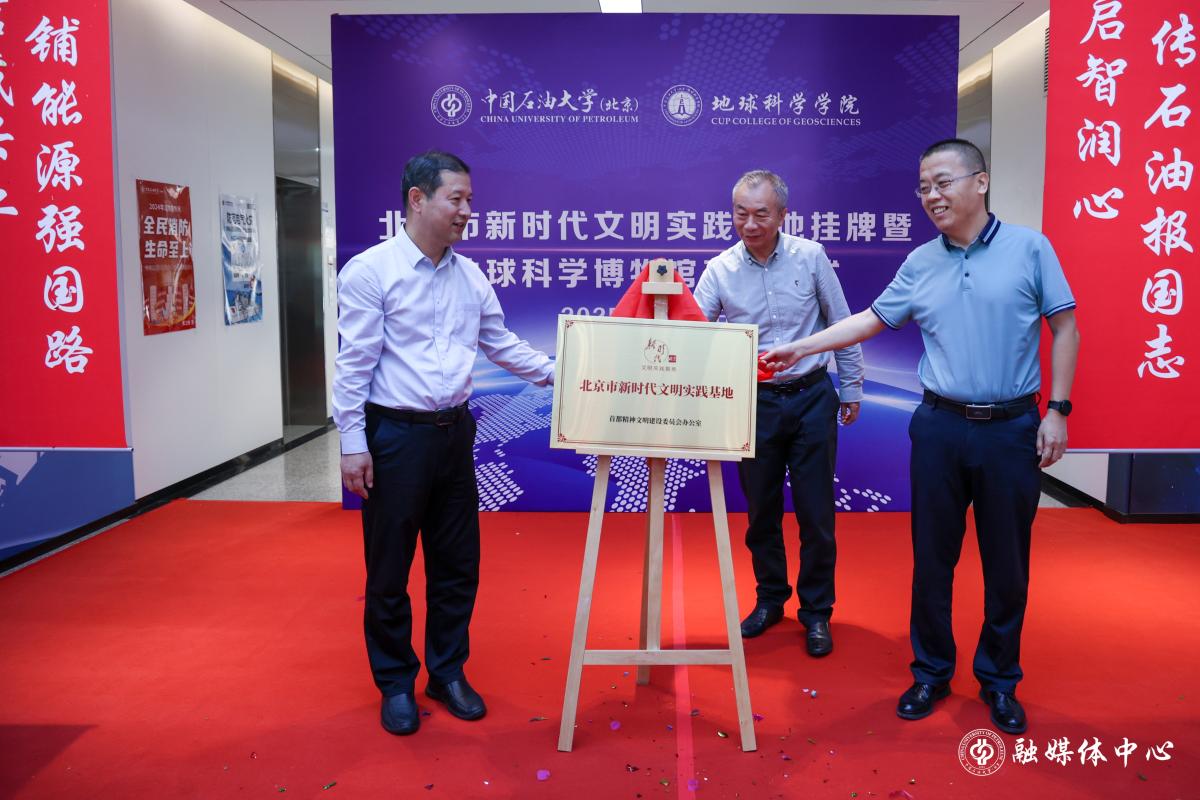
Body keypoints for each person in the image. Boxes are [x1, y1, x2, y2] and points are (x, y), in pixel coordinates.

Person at [761, 139, 1079, 734]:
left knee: (1007, 563)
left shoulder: (1030, 248)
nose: (932, 196)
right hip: (938, 427)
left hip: (1012, 428)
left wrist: (1057, 410)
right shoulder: (920, 262)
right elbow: (869, 320)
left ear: (980, 182)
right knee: (933, 558)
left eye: (943, 182)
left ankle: (999, 680)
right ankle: (931, 671)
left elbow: (1065, 327)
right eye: (924, 187)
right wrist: (801, 347)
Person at [333, 150, 554, 735]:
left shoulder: (470, 277)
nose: (466, 211)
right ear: (417, 199)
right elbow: (353, 365)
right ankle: (395, 681)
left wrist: (563, 372)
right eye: (456, 199)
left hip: (455, 433)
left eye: (469, 201)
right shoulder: (370, 272)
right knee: (389, 567)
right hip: (394, 437)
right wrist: (352, 440)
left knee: (457, 564)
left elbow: (502, 344)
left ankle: (447, 670)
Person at [694, 170, 865, 658]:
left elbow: (842, 322)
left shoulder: (810, 257)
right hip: (755, 404)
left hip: (812, 397)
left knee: (816, 514)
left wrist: (851, 385)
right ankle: (770, 599)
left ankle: (817, 611)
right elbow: (695, 334)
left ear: (783, 215)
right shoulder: (720, 270)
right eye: (740, 214)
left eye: (761, 214)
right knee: (761, 512)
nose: (749, 224)